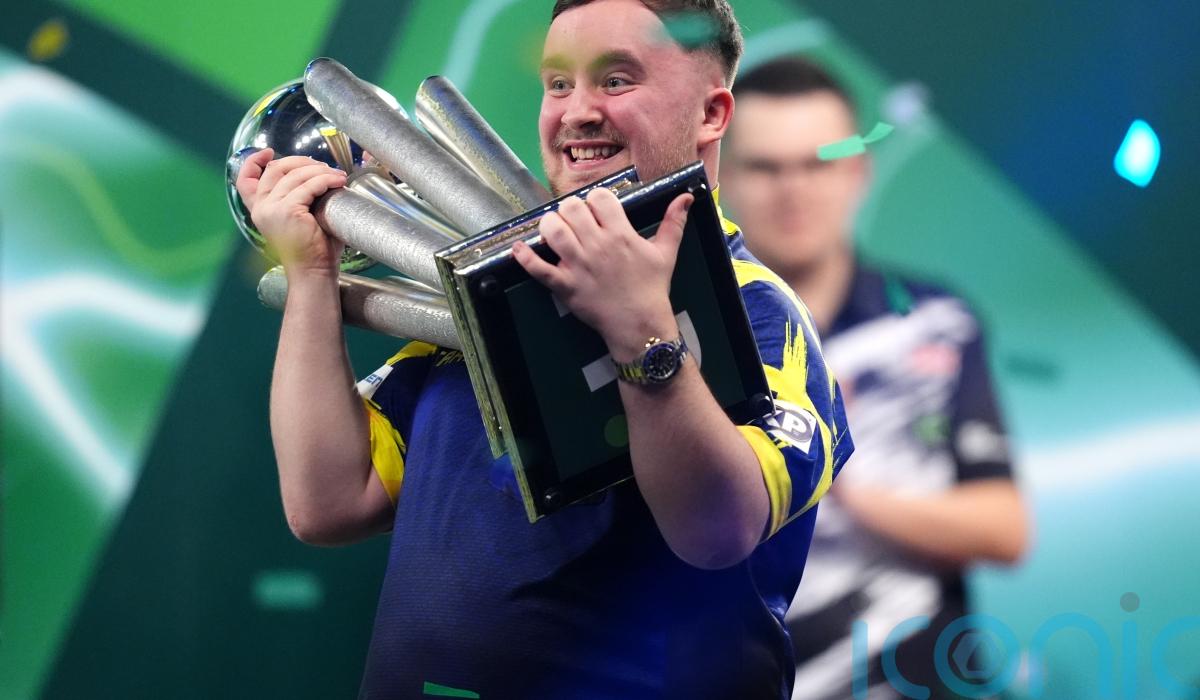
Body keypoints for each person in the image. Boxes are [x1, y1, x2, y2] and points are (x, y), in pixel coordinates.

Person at [235, 2, 851, 698]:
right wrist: (312, 274)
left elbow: (716, 531)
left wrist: (641, 333)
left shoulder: (761, 314)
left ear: (711, 114)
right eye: (559, 84)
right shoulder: (493, 296)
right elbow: (329, 503)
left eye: (616, 80)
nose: (577, 112)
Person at [720, 56, 1029, 699]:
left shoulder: (935, 322)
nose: (793, 189)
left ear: (858, 171)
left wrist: (835, 475)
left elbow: (1004, 528)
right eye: (766, 167)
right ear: (719, 179)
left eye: (819, 163)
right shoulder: (689, 349)